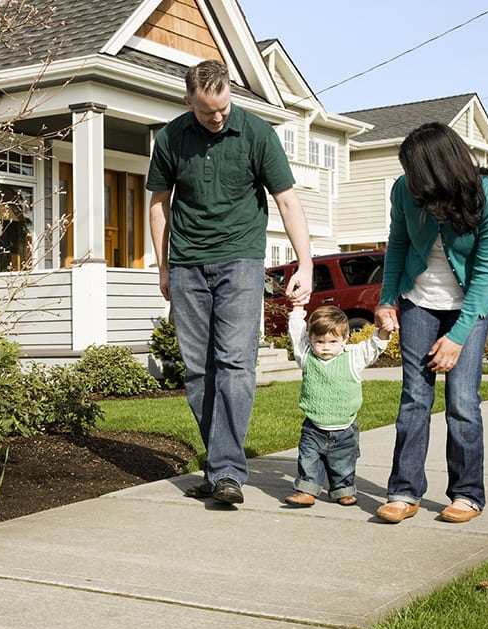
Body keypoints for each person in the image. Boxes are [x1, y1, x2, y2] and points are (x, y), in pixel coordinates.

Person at [147, 59, 313, 504]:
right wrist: (163, 266)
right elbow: (159, 205)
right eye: (207, 112)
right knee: (199, 369)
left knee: (236, 363)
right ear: (188, 102)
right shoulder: (171, 138)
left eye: (223, 108)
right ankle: (222, 465)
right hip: (186, 264)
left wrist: (306, 262)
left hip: (241, 260)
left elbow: (286, 199)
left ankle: (225, 471)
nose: (218, 118)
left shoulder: (258, 134)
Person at [373, 122, 488, 524]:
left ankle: (467, 494)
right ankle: (404, 491)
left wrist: (457, 337)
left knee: (463, 401)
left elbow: (485, 275)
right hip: (419, 300)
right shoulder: (404, 190)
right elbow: (397, 242)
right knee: (415, 397)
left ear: (438, 170)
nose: (409, 180)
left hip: (469, 304)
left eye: (415, 172)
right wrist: (386, 301)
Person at [284, 305, 391, 508]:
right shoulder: (306, 356)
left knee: (343, 464)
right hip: (314, 428)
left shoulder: (353, 357)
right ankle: (307, 490)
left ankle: (342, 489)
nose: (326, 347)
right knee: (308, 460)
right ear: (311, 339)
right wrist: (297, 309)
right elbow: (296, 334)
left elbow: (374, 346)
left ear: (345, 339)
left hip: (345, 429)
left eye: (333, 342)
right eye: (320, 341)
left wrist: (384, 331)